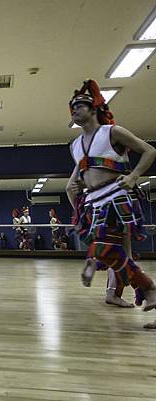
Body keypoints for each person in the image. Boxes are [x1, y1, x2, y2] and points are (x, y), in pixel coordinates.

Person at [66, 79, 156, 327]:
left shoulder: (112, 132)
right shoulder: (75, 145)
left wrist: (134, 175)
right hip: (95, 205)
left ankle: (147, 288)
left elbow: (149, 150)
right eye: (71, 107)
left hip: (117, 199)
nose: (74, 110)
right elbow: (72, 184)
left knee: (107, 250)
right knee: (118, 254)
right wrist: (78, 200)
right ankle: (140, 290)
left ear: (93, 108)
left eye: (79, 105)